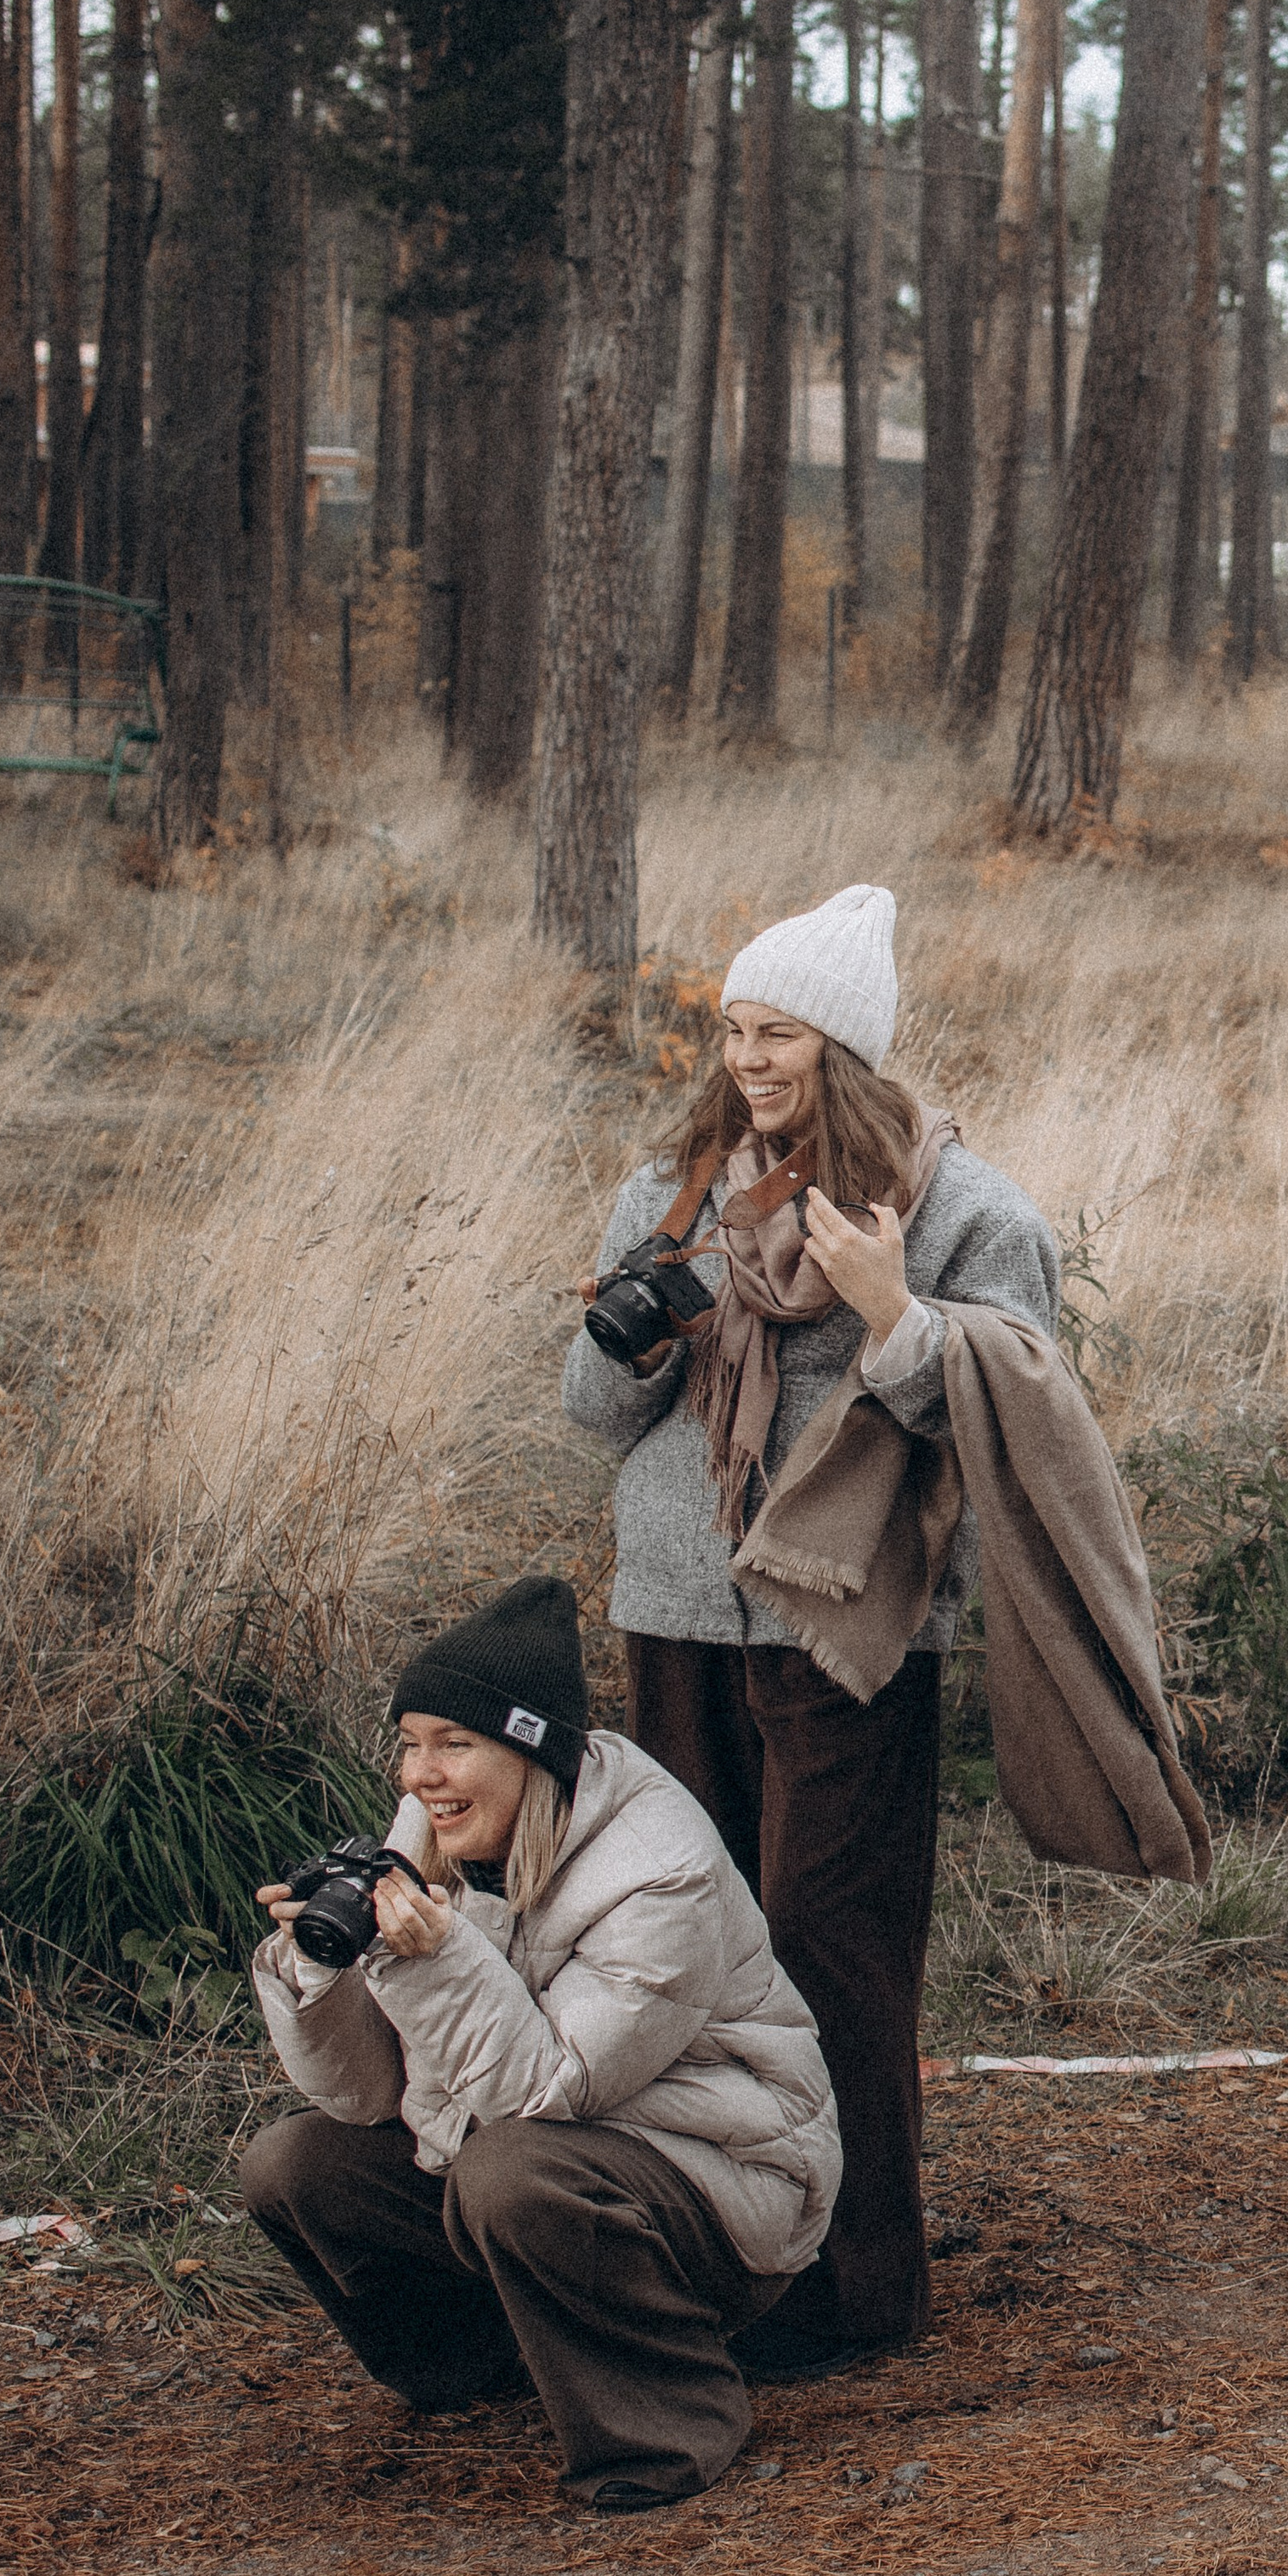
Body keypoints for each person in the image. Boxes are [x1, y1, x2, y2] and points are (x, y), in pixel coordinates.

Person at [562, 883, 1059, 2376]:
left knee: (830, 1947)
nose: (748, 1058)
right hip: (674, 1614)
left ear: (842, 1045)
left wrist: (893, 1316)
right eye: (732, 1029)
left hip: (842, 1626)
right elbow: (594, 1420)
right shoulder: (674, 1185)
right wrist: (626, 1332)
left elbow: (1014, 1425)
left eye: (778, 1032)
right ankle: (717, 2253)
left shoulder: (962, 1206)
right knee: (686, 1949)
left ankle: (859, 2286)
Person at [239, 1575, 841, 2512]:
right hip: (544, 2152)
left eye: (453, 1745)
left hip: (728, 2189)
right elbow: (360, 2100)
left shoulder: (657, 1872)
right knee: (291, 2165)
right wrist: (312, 1972)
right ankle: (480, 2363)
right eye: (408, 1745)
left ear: (531, 1753)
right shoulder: (439, 1831)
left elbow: (549, 2087)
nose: (418, 1776)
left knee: (512, 2173)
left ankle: (666, 2430)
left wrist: (430, 1962)